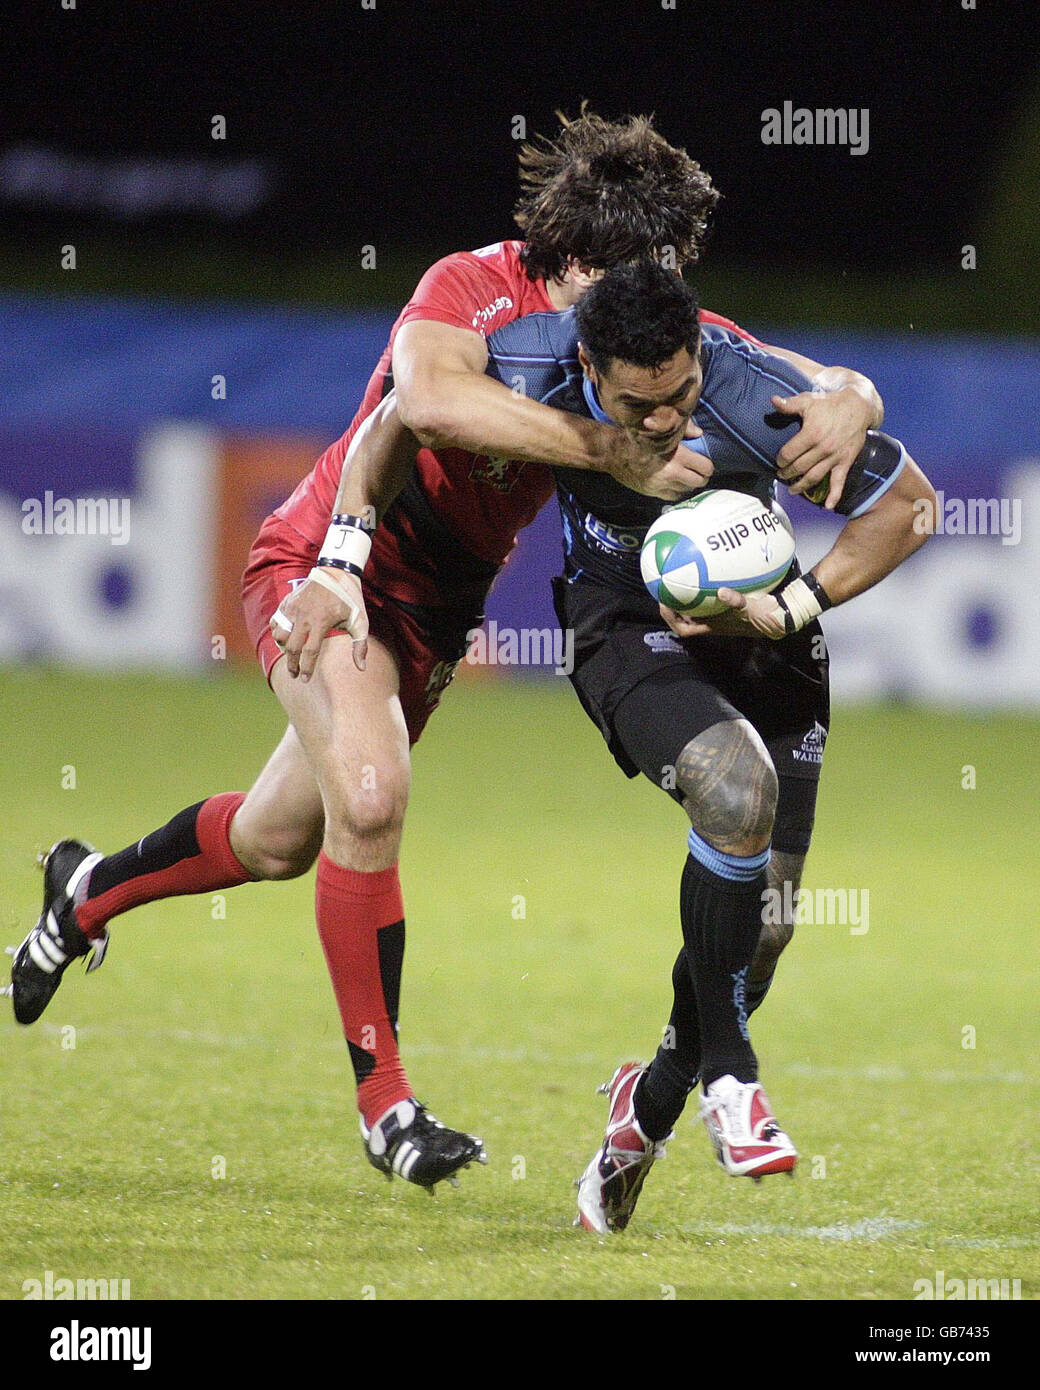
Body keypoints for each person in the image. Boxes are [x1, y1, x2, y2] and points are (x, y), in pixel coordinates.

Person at [5, 112, 881, 1193]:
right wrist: (601, 450)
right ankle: (389, 1109)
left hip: (437, 606)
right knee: (371, 799)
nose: (662, 295)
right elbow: (418, 402)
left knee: (284, 839)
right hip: (335, 569)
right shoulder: (473, 294)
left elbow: (796, 376)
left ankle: (83, 890)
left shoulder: (633, 342)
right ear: (581, 260)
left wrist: (854, 395)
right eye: (646, 267)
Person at [473, 259, 935, 1231]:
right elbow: (414, 400)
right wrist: (343, 550)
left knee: (762, 929)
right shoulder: (522, 364)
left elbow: (907, 506)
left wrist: (792, 604)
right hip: (620, 624)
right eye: (637, 404)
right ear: (588, 368)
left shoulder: (749, 397)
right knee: (732, 788)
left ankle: (642, 1110)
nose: (664, 420)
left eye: (678, 392)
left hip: (763, 639)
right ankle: (733, 1079)